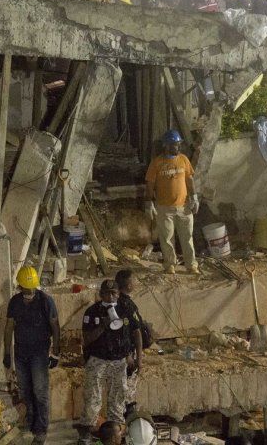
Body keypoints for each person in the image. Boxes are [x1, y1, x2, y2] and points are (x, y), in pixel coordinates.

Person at [4, 266, 61, 445]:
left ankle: (41, 430)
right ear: (20, 286)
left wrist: (56, 352)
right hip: (21, 353)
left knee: (40, 391)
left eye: (31, 288)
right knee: (25, 390)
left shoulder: (46, 301)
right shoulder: (15, 302)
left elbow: (55, 326)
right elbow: (9, 328)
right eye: (26, 288)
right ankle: (30, 421)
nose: (29, 291)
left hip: (39, 354)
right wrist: (7, 352)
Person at [80, 280, 140, 445]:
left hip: (118, 361)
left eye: (113, 293)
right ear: (101, 294)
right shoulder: (92, 312)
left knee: (118, 399)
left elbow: (133, 334)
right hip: (97, 360)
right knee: (93, 398)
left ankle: (115, 435)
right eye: (107, 293)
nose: (110, 296)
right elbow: (86, 339)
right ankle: (87, 432)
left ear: (118, 294)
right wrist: (102, 326)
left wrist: (132, 356)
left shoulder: (125, 310)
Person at [144, 129, 199, 275]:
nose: (177, 147)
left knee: (187, 237)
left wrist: (194, 197)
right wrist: (149, 202)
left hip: (184, 207)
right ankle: (170, 265)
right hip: (164, 208)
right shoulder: (156, 163)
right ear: (166, 145)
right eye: (175, 144)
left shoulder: (183, 159)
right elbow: (150, 184)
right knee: (167, 239)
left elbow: (189, 179)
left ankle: (191, 266)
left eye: (178, 144)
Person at [115, 269, 150, 418]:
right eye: (134, 280)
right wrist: (138, 359)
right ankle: (125, 421)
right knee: (127, 393)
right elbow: (136, 333)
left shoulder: (113, 303)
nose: (136, 283)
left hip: (117, 355)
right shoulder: (127, 305)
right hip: (126, 355)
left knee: (119, 392)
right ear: (129, 285)